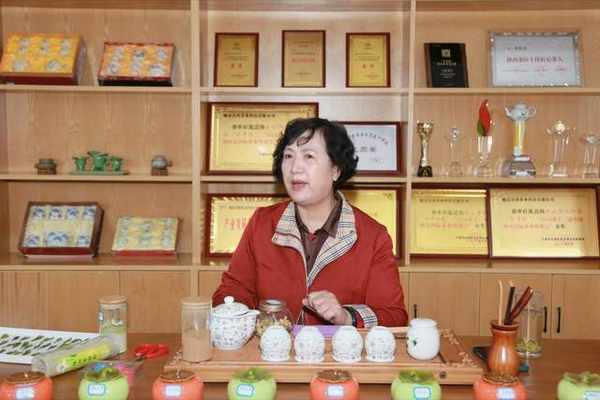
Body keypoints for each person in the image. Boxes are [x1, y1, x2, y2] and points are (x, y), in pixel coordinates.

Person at [212, 117, 408, 328]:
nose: (295, 168)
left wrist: (346, 316)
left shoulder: (373, 236)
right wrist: (236, 317)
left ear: (335, 170)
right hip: (273, 346)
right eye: (288, 156)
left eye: (309, 156)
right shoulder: (262, 223)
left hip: (337, 348)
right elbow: (232, 291)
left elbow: (394, 316)